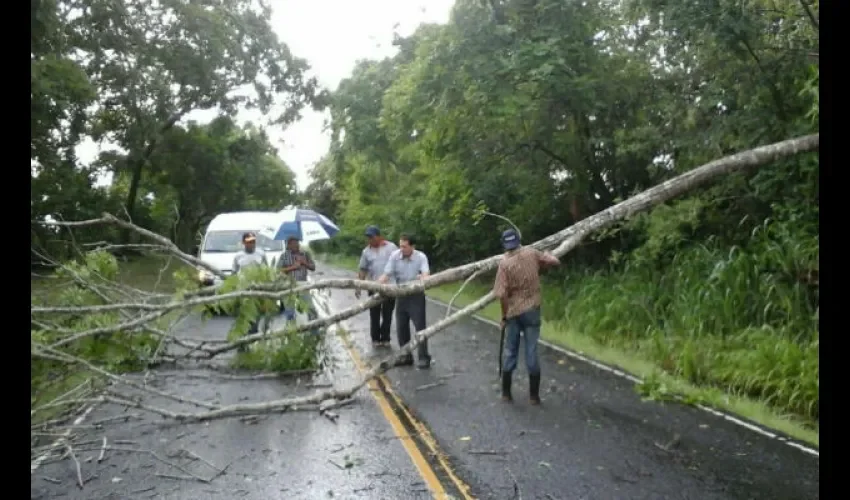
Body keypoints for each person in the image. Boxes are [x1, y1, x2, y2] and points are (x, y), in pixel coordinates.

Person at [492, 229, 560, 405]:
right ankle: (534, 397)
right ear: (519, 239)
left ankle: (506, 394)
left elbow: (501, 294)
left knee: (510, 351)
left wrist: (504, 316)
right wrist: (545, 260)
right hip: (532, 310)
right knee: (531, 352)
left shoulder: (504, 264)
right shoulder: (532, 253)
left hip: (514, 312)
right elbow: (554, 261)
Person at [379, 234, 432, 369]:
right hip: (401, 294)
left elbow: (426, 274)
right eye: (400, 245)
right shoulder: (395, 256)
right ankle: (406, 356)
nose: (401, 249)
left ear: (412, 247)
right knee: (402, 328)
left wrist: (423, 278)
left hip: (416, 295)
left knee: (420, 327)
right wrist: (378, 284)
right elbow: (387, 273)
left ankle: (424, 357)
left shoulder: (421, 257)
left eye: (404, 246)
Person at [356, 225, 399, 348]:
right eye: (368, 237)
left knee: (387, 314)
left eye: (372, 237)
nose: (370, 239)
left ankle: (385, 338)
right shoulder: (366, 251)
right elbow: (363, 270)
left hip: (390, 287)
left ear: (379, 236)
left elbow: (399, 262)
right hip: (373, 286)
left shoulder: (391, 247)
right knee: (374, 314)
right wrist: (358, 285)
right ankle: (375, 338)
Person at [232, 232, 268, 337]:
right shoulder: (238, 256)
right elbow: (233, 273)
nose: (252, 244)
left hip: (257, 290)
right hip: (242, 290)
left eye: (253, 242)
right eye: (249, 242)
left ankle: (252, 338)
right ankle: (242, 341)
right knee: (242, 316)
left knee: (255, 317)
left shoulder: (261, 254)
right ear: (244, 242)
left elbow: (266, 271)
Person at [277, 235, 317, 324]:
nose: (296, 245)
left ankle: (315, 331)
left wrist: (304, 262)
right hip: (289, 285)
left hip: (303, 284)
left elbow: (313, 267)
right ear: (288, 245)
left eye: (297, 243)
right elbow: (278, 270)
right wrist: (293, 267)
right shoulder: (284, 256)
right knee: (290, 312)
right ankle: (292, 332)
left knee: (311, 309)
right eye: (293, 243)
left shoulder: (305, 254)